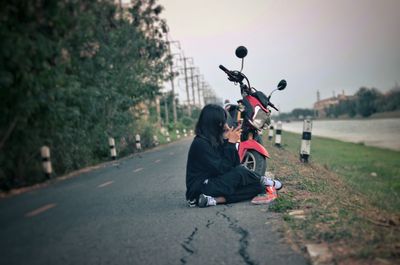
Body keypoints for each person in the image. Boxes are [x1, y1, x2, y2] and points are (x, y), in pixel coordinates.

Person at [185, 104, 282, 208]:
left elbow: (234, 164)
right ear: (214, 123)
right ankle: (263, 180)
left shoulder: (214, 140)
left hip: (213, 183)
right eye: (222, 122)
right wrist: (230, 144)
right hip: (200, 187)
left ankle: (213, 200)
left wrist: (227, 142)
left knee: (258, 187)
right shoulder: (200, 143)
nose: (225, 125)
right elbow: (223, 169)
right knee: (240, 172)